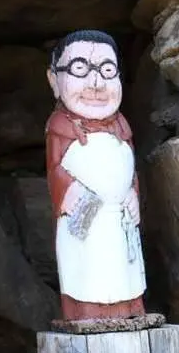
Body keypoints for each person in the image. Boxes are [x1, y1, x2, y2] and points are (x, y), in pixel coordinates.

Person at [44, 29, 146, 323]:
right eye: (80, 69)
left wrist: (133, 192)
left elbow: (130, 168)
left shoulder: (122, 127)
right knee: (87, 266)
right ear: (54, 80)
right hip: (85, 216)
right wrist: (70, 191)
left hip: (119, 218)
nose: (96, 83)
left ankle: (130, 309)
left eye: (107, 70)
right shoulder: (60, 127)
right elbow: (54, 168)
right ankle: (87, 313)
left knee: (125, 264)